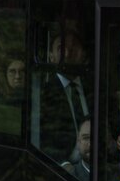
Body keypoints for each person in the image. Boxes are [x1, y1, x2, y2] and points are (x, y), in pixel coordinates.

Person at [38, 29, 89, 163]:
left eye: (74, 48)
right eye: (61, 49)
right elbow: (42, 140)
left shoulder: (96, 87)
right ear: (51, 57)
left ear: (83, 54)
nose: (67, 54)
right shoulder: (43, 94)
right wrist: (63, 166)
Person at [62, 117, 92, 181]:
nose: (90, 144)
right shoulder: (68, 177)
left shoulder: (118, 173)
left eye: (97, 138)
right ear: (78, 141)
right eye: (86, 138)